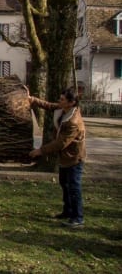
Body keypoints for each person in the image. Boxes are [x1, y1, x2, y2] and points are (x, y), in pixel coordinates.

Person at [27, 87, 86, 228]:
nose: (59, 101)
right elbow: (49, 105)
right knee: (64, 185)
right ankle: (68, 212)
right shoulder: (63, 109)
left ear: (71, 103)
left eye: (62, 99)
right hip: (65, 158)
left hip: (74, 158)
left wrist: (40, 151)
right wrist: (33, 100)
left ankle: (78, 218)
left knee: (74, 188)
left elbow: (61, 143)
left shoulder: (73, 122)